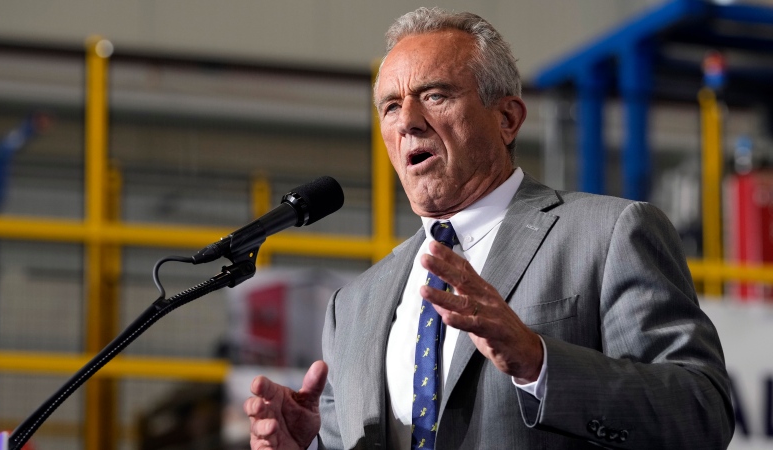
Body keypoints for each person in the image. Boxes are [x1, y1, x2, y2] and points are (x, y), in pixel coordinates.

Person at [244, 7, 734, 449]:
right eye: (391, 106)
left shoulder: (608, 235)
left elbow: (700, 412)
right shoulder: (352, 306)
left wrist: (539, 361)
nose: (409, 121)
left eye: (434, 95)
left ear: (507, 118)